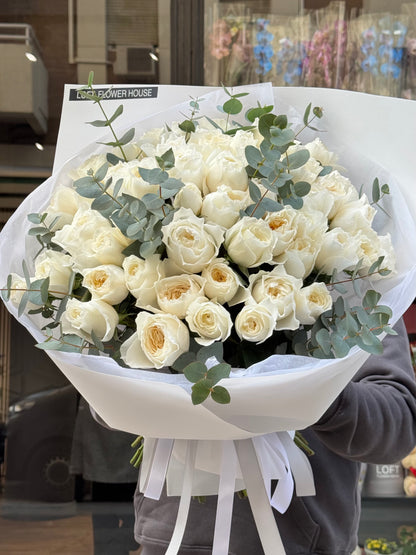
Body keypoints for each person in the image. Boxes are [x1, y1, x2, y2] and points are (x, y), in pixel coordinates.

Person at [132, 318, 416, 554]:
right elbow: (102, 400)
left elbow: (399, 425)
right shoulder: (155, 268)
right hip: (170, 537)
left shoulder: (357, 282)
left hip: (300, 541)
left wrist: (317, 390)